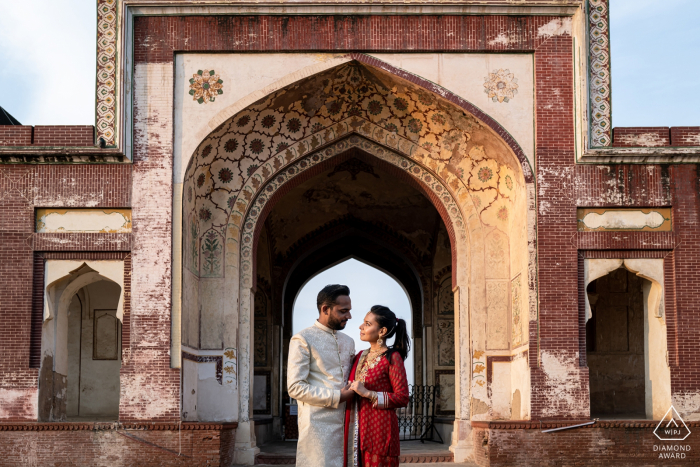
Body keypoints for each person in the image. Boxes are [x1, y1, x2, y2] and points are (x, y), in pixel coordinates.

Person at [287, 284, 357, 467]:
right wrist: (338, 396)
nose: (349, 316)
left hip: (348, 423)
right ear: (325, 309)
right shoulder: (303, 339)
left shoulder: (348, 341)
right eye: (343, 311)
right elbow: (295, 387)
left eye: (349, 311)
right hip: (317, 426)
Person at [344, 305, 410, 467]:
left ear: (382, 331)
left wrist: (368, 393)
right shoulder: (359, 356)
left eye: (367, 324)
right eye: (363, 323)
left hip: (380, 429)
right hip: (357, 428)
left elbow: (402, 397)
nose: (361, 327)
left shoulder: (392, 357)